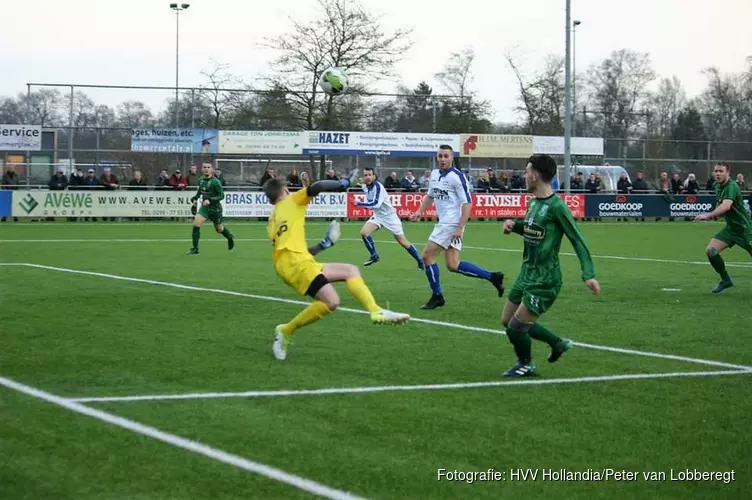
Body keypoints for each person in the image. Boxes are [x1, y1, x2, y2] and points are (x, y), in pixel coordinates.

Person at [263, 171, 410, 360]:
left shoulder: (273, 219)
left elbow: (293, 249)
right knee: (331, 302)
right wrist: (344, 182)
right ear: (284, 190)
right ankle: (286, 331)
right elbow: (317, 187)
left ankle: (375, 311)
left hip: (294, 263)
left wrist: (324, 245)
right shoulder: (292, 201)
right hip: (296, 264)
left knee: (350, 270)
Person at [500, 154, 601, 377]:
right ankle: (556, 343)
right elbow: (531, 230)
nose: (524, 176)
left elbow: (577, 239)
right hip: (526, 273)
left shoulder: (557, 207)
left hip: (545, 279)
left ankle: (525, 364)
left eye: (527, 172)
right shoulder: (534, 202)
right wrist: (514, 226)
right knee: (507, 321)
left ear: (535, 176)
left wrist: (589, 274)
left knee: (517, 328)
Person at [408, 145, 505, 309]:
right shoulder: (434, 174)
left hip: (452, 222)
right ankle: (493, 277)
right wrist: (419, 212)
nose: (443, 159)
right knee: (453, 265)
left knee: (427, 257)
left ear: (452, 158)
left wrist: (460, 227)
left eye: (446, 156)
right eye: (440, 156)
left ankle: (437, 296)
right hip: (445, 222)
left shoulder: (457, 177)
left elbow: (467, 204)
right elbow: (430, 196)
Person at [695, 162, 752, 293]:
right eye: (716, 171)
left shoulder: (732, 186)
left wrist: (708, 215)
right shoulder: (716, 185)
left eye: (721, 171)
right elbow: (720, 203)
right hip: (731, 229)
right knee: (711, 251)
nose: (718, 174)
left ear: (728, 173)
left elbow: (726, 206)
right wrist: (716, 211)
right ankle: (726, 280)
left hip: (745, 229)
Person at [355, 167, 423, 269]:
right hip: (378, 216)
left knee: (403, 241)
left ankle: (420, 260)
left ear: (374, 176)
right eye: (365, 175)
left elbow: (376, 204)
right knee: (364, 233)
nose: (368, 177)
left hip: (390, 217)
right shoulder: (365, 186)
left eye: (370, 175)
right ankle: (374, 256)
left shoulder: (378, 187)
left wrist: (359, 204)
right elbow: (359, 183)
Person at [188, 163, 234, 255]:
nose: (206, 169)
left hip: (215, 209)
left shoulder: (216, 182)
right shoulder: (201, 180)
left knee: (219, 229)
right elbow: (200, 191)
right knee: (196, 224)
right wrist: (195, 198)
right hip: (205, 208)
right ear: (202, 169)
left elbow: (221, 195)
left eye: (208, 167)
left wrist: (210, 200)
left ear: (211, 169)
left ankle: (230, 237)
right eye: (204, 167)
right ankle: (195, 249)